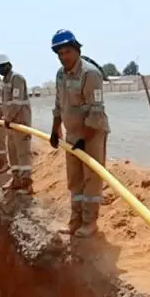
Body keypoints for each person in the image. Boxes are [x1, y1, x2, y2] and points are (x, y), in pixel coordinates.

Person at [48, 29, 110, 237]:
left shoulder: (90, 74)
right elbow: (59, 104)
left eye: (67, 52)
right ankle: (75, 221)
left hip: (92, 133)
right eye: (60, 54)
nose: (63, 57)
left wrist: (85, 138)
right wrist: (55, 128)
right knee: (74, 179)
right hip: (72, 134)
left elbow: (96, 111)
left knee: (91, 178)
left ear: (76, 50)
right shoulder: (60, 74)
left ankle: (89, 223)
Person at [0, 54, 33, 194]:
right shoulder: (5, 81)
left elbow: (17, 102)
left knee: (23, 153)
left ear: (9, 65)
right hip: (10, 124)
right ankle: (16, 181)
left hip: (20, 122)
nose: (1, 69)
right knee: (13, 152)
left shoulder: (17, 79)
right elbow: (5, 104)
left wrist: (8, 118)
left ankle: (26, 184)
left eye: (3, 66)